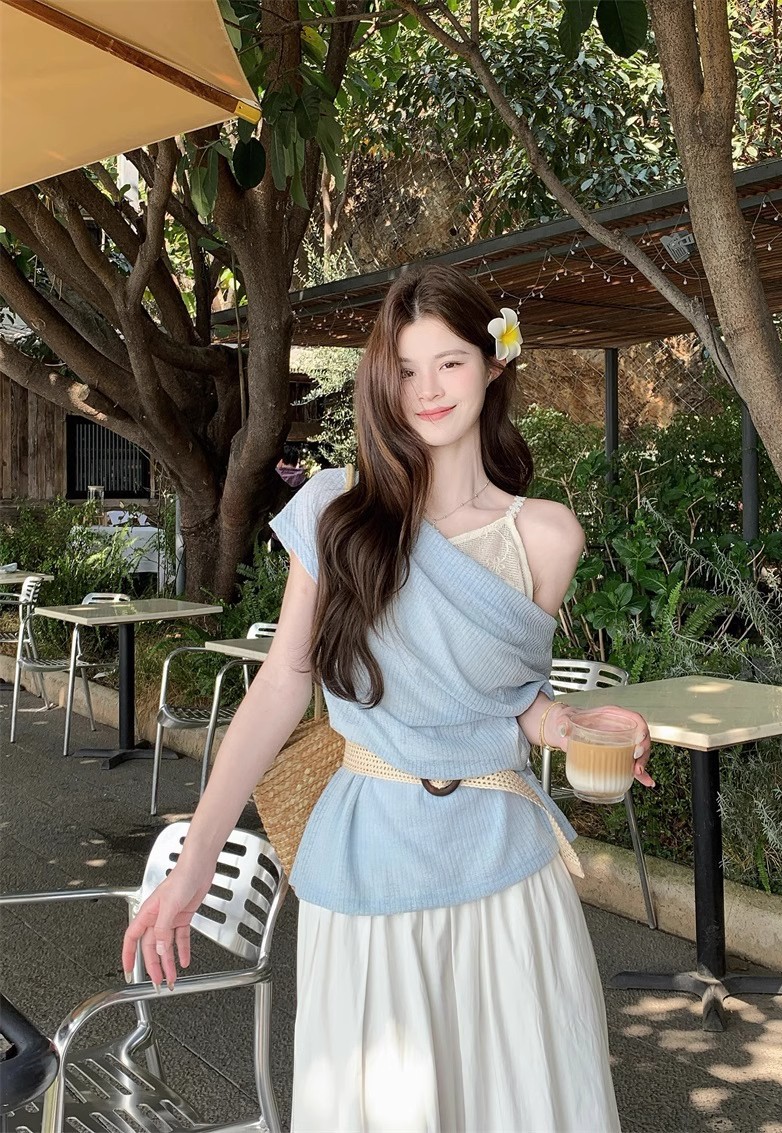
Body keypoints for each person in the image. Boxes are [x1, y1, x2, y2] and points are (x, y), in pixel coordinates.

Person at [123, 263, 653, 1132]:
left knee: (520, 1104)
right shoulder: (337, 510)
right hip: (366, 857)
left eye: (450, 362)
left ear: (493, 363)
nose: (427, 390)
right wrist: (195, 866)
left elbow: (508, 700)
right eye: (405, 369)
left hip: (504, 865)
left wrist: (567, 721)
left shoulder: (546, 535)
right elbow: (281, 686)